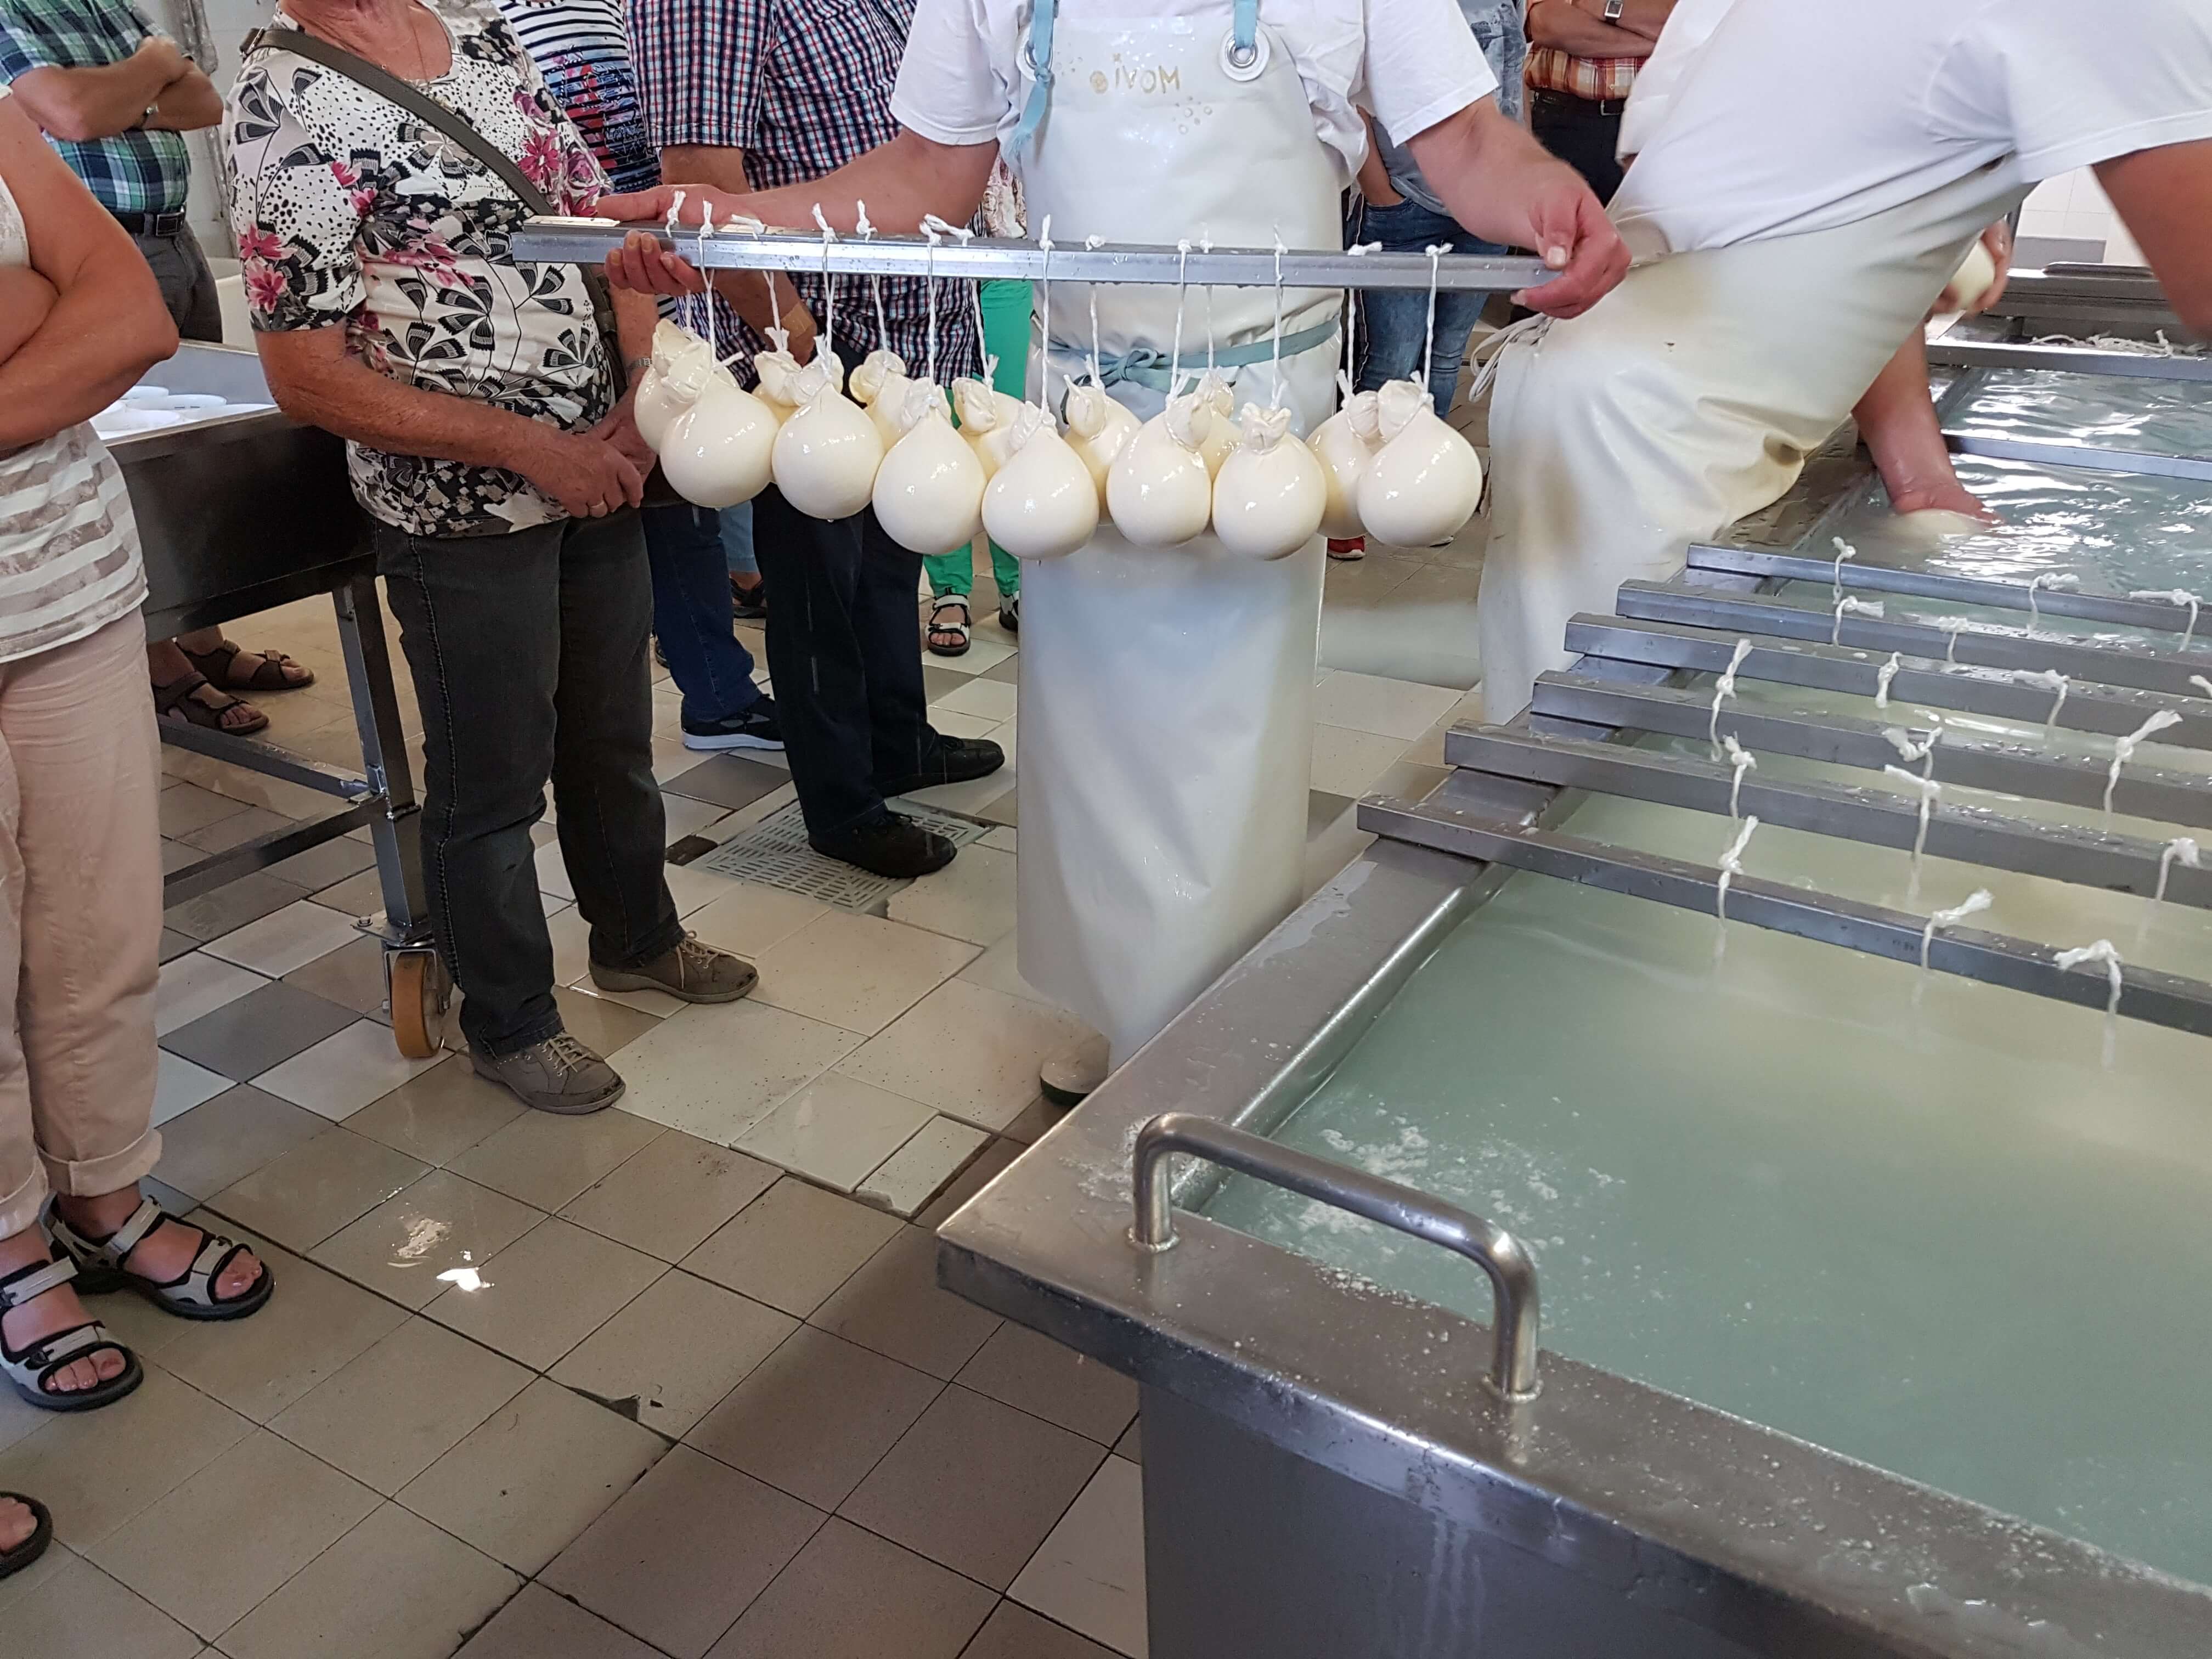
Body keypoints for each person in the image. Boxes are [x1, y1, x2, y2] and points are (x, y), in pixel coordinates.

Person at [603, 0, 1627, 1091]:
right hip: (1077, 422)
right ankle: (1129, 1007)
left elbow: (1461, 138)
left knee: (1221, 736)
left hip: (1252, 423)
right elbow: (927, 173)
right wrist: (737, 216)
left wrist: (1546, 197)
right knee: (1090, 725)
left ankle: (1207, 1045)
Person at [226, 0, 758, 1116]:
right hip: (459, 509)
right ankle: (510, 1017)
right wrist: (529, 449)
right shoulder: (284, 106)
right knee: (492, 777)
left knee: (613, 736)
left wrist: (635, 394)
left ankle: (637, 935)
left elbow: (595, 226)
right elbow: (306, 374)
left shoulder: (479, 38)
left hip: (597, 466)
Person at [1478, 0, 2212, 724]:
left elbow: (1835, 208)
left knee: (1595, 729)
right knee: (1598, 745)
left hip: (1628, 397)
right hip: (1649, 439)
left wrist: (1920, 473)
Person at [0, 84, 270, 1436]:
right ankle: (9, 1246)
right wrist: (34, 310)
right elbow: (70, 312)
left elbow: (129, 315)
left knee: (99, 930)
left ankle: (102, 1191)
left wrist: (56, 307)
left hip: (69, 587)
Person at [628, 0, 1002, 877]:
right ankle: (842, 802)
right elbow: (701, 182)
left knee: (887, 564)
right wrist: (790, 329)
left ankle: (898, 740)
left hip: (903, 339)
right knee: (817, 586)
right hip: (812, 352)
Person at [0, 0, 318, 737]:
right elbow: (72, 114)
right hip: (97, 249)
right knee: (131, 455)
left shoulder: (99, 3)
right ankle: (160, 660)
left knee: (195, 462)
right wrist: (153, 68)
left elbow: (204, 101)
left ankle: (202, 636)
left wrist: (116, 100)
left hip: (171, 240)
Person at [495, 0, 782, 753]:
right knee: (637, 513)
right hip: (566, 314)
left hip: (660, 292)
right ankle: (708, 691)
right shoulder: (494, 22)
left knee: (682, 500)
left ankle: (715, 690)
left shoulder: (607, 12)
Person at [1331, 0, 1525, 561]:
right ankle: (1349, 501)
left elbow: (1512, 94)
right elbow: (1349, 93)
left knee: (1445, 358)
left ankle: (1422, 492)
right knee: (1390, 357)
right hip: (1405, 200)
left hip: (1484, 204)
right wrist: (1380, 193)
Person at [924, 160, 1026, 651]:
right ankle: (949, 588)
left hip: (1007, 253)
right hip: (930, 261)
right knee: (936, 430)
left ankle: (1018, 582)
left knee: (1009, 428)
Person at [1522, 0, 1671, 204]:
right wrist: (1664, 42)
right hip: (1559, 124)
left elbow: (1685, 21)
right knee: (1554, 222)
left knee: (1653, 224)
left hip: (1654, 127)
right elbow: (1548, 26)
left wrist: (1596, 5)